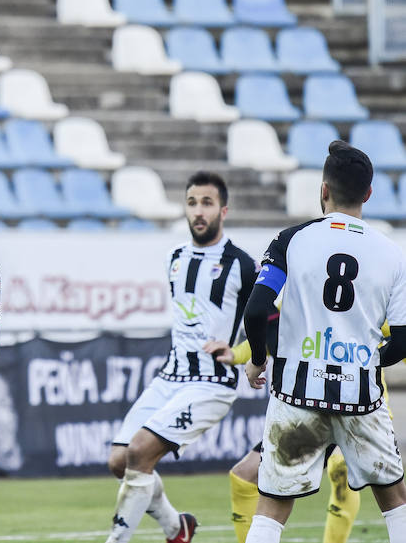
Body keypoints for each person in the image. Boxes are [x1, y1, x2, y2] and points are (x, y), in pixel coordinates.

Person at [242, 141, 406, 543]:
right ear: (368, 194)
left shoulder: (292, 240)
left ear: (323, 190)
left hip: (296, 392)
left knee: (272, 508)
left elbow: (256, 310)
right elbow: (401, 343)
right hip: (360, 396)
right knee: (395, 500)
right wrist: (364, 363)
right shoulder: (392, 254)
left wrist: (258, 360)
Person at [104, 171, 257, 543]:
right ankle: (177, 528)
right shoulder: (176, 259)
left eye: (206, 203)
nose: (198, 211)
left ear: (224, 210)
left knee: (140, 452)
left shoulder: (243, 264)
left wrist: (245, 356)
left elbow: (265, 320)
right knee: (119, 461)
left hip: (211, 383)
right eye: (192, 203)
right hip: (171, 376)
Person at [208, 315, 375, 543]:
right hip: (305, 410)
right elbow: (268, 337)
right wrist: (236, 354)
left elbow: (389, 327)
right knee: (244, 476)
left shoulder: (326, 299)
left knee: (341, 468)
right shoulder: (283, 306)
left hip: (354, 407)